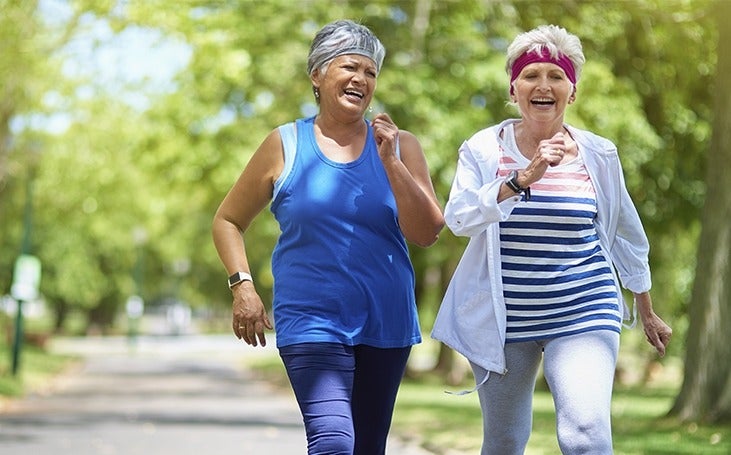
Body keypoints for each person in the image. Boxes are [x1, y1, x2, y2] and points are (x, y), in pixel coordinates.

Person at [431, 24, 672, 454]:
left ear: (572, 92)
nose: (543, 85)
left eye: (556, 76)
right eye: (531, 75)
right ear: (514, 88)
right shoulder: (485, 149)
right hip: (505, 319)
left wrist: (646, 310)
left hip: (584, 309)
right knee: (504, 441)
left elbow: (626, 235)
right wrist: (520, 179)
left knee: (583, 434)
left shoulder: (599, 154)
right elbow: (459, 219)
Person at [212, 19, 444, 455]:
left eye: (370, 72)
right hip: (311, 319)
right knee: (334, 443)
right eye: (349, 67)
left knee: (367, 447)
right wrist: (241, 284)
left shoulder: (400, 144)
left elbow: (427, 233)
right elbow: (227, 220)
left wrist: (392, 163)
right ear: (317, 75)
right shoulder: (285, 143)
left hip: (385, 321)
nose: (361, 79)